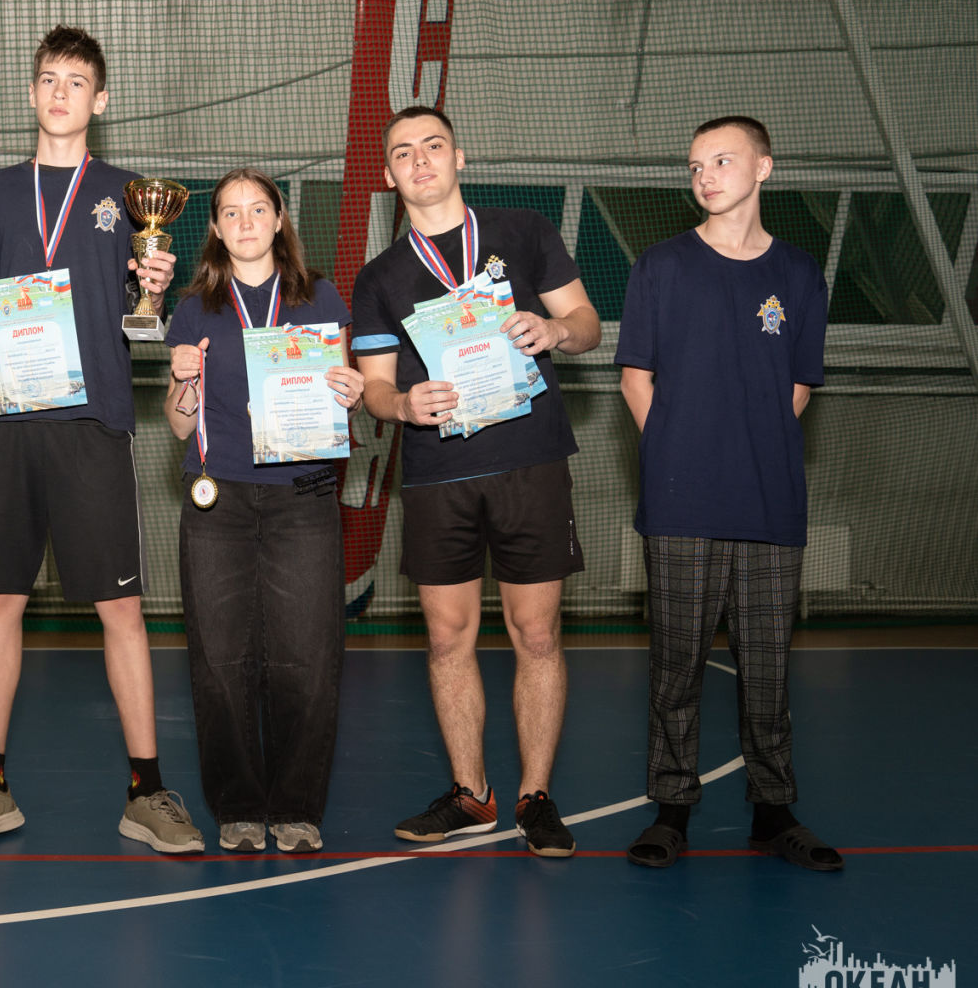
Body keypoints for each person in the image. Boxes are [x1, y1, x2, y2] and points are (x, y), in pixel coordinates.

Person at [0, 25, 201, 853]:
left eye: (76, 82)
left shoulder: (130, 194)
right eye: (49, 79)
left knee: (120, 606)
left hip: (95, 418)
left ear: (101, 99)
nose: (60, 93)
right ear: (31, 92)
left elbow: (145, 319)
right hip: (9, 414)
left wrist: (154, 286)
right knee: (1, 599)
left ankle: (147, 790)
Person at [354, 105, 599, 858]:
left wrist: (555, 331)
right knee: (446, 638)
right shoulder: (380, 277)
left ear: (460, 156)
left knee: (537, 633)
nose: (420, 160)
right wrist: (403, 405)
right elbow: (373, 388)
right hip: (438, 476)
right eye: (403, 152)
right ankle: (472, 794)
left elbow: (587, 323)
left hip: (530, 464)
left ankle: (535, 796)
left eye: (433, 145)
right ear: (388, 176)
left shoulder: (524, 231)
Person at [616, 116, 839, 871]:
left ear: (763, 167)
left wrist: (751, 451)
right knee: (675, 665)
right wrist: (678, 454)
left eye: (721, 160)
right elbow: (635, 379)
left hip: (771, 502)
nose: (705, 176)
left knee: (768, 669)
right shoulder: (661, 266)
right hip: (680, 502)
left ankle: (773, 812)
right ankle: (671, 809)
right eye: (695, 166)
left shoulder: (800, 273)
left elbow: (797, 388)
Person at [163, 168, 364, 853]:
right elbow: (180, 425)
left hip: (302, 496)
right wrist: (184, 384)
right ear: (216, 228)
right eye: (230, 211)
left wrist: (350, 391)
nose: (245, 221)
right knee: (219, 658)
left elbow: (343, 397)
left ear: (279, 219)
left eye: (257, 209)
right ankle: (239, 806)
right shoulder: (194, 308)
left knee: (307, 655)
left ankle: (298, 805)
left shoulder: (321, 297)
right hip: (217, 499)